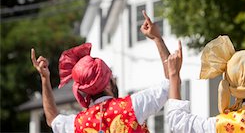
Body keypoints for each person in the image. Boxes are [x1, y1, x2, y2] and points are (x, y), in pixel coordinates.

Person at [31, 11, 169, 133]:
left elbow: (52, 119)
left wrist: (45, 79)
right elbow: (171, 82)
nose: (114, 79)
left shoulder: (78, 124)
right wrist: (158, 39)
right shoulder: (133, 106)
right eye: (112, 77)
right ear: (107, 84)